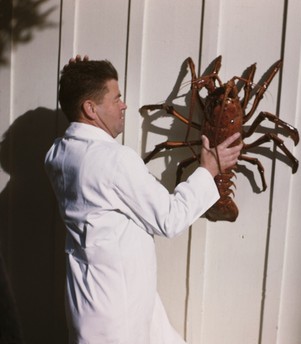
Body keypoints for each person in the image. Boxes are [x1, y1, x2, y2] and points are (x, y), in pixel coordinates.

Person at [45, 55, 242, 343]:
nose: (123, 105)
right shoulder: (114, 160)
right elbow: (170, 218)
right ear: (90, 108)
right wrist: (208, 169)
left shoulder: (56, 154)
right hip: (118, 316)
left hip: (98, 302)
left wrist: (78, 77)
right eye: (116, 98)